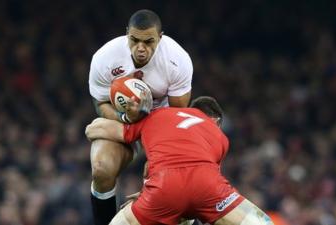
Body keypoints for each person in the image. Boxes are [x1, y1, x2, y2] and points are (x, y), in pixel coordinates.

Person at [85, 96, 274, 225]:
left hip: (163, 189)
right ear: (216, 121)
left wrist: (124, 117)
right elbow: (200, 182)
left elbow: (94, 129)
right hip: (206, 186)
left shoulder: (157, 116)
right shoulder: (220, 136)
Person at [88, 9, 193, 225]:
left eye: (149, 42)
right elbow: (100, 104)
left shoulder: (177, 60)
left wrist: (152, 179)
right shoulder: (105, 58)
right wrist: (126, 117)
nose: (141, 48)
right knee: (101, 169)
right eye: (134, 40)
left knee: (177, 183)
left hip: (163, 126)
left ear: (160, 38)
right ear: (127, 34)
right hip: (124, 122)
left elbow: (177, 115)